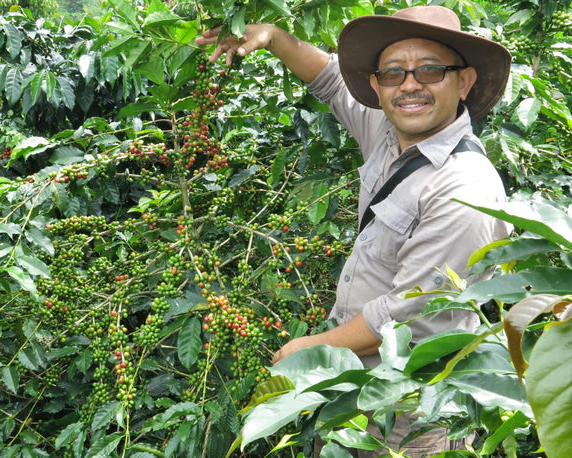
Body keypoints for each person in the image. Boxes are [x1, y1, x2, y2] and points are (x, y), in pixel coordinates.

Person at [197, 5, 512, 457]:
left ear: (463, 82)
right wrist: (273, 37)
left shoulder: (465, 189)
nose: (409, 84)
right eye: (393, 73)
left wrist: (311, 348)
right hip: (356, 386)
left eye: (430, 70)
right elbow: (326, 78)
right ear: (375, 85)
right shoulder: (390, 131)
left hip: (413, 407)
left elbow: (404, 314)